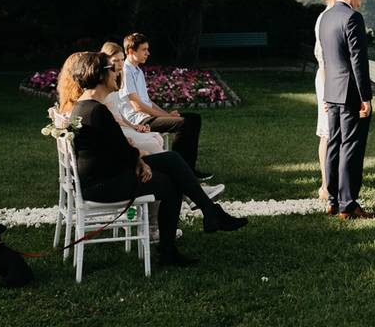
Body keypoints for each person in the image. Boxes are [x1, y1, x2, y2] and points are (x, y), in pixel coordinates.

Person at [60, 51, 247, 266]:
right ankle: (180, 241)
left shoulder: (84, 106)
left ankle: (209, 213)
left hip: (103, 175)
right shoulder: (96, 111)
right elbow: (122, 151)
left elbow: (114, 149)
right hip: (103, 185)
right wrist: (138, 162)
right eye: (112, 69)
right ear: (100, 75)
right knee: (171, 184)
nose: (117, 74)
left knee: (171, 159)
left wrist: (138, 160)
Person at [319, 0, 375, 219]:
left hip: (332, 90)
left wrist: (326, 94)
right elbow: (358, 62)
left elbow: (327, 59)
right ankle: (348, 204)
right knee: (351, 147)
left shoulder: (326, 17)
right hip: (350, 93)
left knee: (334, 144)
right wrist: (366, 96)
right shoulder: (353, 17)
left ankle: (333, 199)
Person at [118, 33, 211, 180]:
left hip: (148, 116)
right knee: (184, 124)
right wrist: (167, 116)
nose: (148, 53)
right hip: (139, 121)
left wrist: (167, 114)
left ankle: (188, 168)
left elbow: (147, 101)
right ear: (131, 51)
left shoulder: (138, 70)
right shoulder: (125, 71)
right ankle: (184, 171)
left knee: (194, 118)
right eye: (144, 49)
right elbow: (137, 106)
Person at [314, 0, 340, 201]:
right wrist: (326, 95)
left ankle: (331, 184)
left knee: (332, 135)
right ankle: (326, 185)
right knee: (327, 134)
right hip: (327, 80)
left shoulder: (333, 15)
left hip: (334, 80)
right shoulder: (325, 18)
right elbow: (322, 60)